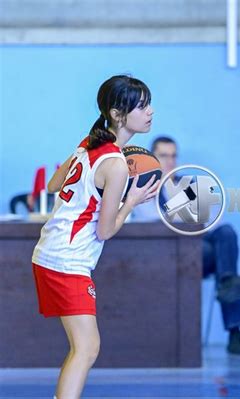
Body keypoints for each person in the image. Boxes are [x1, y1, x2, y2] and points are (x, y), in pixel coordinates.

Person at [31, 75, 160, 398]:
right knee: (87, 348)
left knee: (83, 347)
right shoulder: (115, 164)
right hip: (67, 259)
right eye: (142, 105)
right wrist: (130, 201)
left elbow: (53, 185)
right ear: (118, 114)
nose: (150, 112)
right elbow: (104, 231)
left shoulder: (89, 142)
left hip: (49, 251)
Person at [133, 136, 240, 355]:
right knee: (220, 261)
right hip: (165, 256)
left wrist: (176, 194)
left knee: (226, 233)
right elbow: (151, 219)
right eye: (163, 156)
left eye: (173, 156)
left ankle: (227, 281)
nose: (170, 161)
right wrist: (172, 193)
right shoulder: (142, 187)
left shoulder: (188, 185)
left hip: (197, 253)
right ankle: (235, 332)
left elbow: (208, 220)